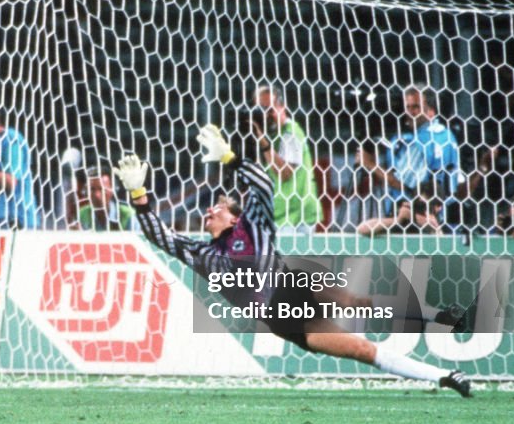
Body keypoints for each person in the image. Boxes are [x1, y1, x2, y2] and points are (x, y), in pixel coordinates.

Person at [113, 123, 472, 397]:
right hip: (282, 319)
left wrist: (230, 158)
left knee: (357, 303)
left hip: (294, 285)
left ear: (235, 217)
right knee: (362, 349)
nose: (210, 209)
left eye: (218, 206)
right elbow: (160, 236)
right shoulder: (202, 254)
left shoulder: (252, 225)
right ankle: (444, 377)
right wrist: (139, 196)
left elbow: (264, 187)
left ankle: (439, 316)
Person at [360, 87, 460, 216]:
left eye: (416, 107)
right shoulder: (448, 136)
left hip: (415, 218)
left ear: (431, 111)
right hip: (444, 217)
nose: (410, 113)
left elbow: (403, 185)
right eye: (408, 107)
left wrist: (370, 163)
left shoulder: (420, 141)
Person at [252, 85, 321, 235]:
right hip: (282, 214)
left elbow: (285, 173)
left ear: (281, 107)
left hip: (297, 216)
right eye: (260, 110)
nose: (266, 115)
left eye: (269, 109)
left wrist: (262, 141)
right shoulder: (275, 134)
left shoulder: (291, 133)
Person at [75, 167, 137, 231]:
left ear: (113, 190)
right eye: (92, 189)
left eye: (102, 189)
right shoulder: (82, 214)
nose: (97, 195)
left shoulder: (128, 215)